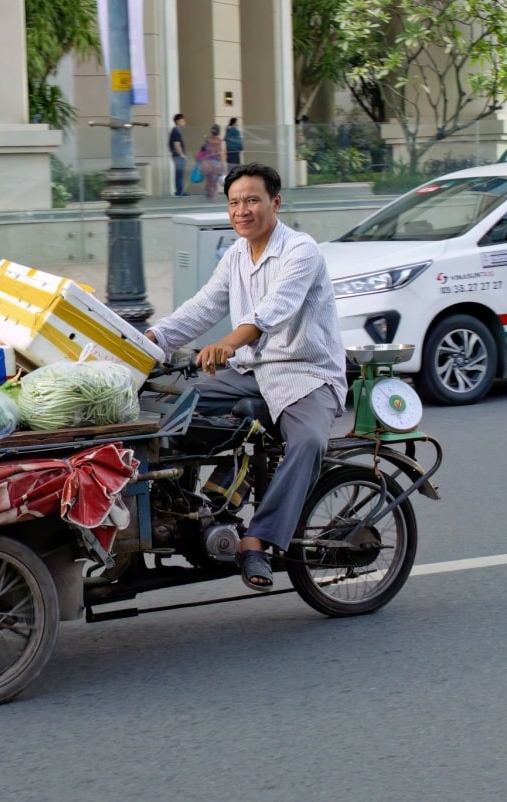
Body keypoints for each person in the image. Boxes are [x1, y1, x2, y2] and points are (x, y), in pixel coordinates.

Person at [143, 163, 347, 592]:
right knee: (171, 413)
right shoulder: (235, 255)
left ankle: (258, 538)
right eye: (234, 202)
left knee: (308, 442)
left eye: (252, 200)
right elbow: (202, 308)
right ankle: (191, 508)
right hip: (252, 372)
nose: (242, 210)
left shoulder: (300, 251)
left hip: (305, 374)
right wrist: (150, 340)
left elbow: (275, 309)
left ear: (275, 202)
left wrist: (230, 344)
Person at [198, 125, 226, 201]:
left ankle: (210, 193)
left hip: (207, 162)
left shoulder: (207, 140)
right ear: (218, 132)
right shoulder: (219, 141)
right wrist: (223, 164)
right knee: (214, 179)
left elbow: (203, 150)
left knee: (209, 179)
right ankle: (213, 195)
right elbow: (221, 153)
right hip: (216, 163)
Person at [169, 113, 188, 197]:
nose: (184, 122)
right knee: (179, 174)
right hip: (178, 156)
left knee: (180, 174)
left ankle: (180, 190)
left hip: (177, 155)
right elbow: (177, 144)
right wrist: (182, 155)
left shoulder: (177, 131)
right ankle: (179, 191)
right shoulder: (175, 131)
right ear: (177, 121)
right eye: (182, 121)